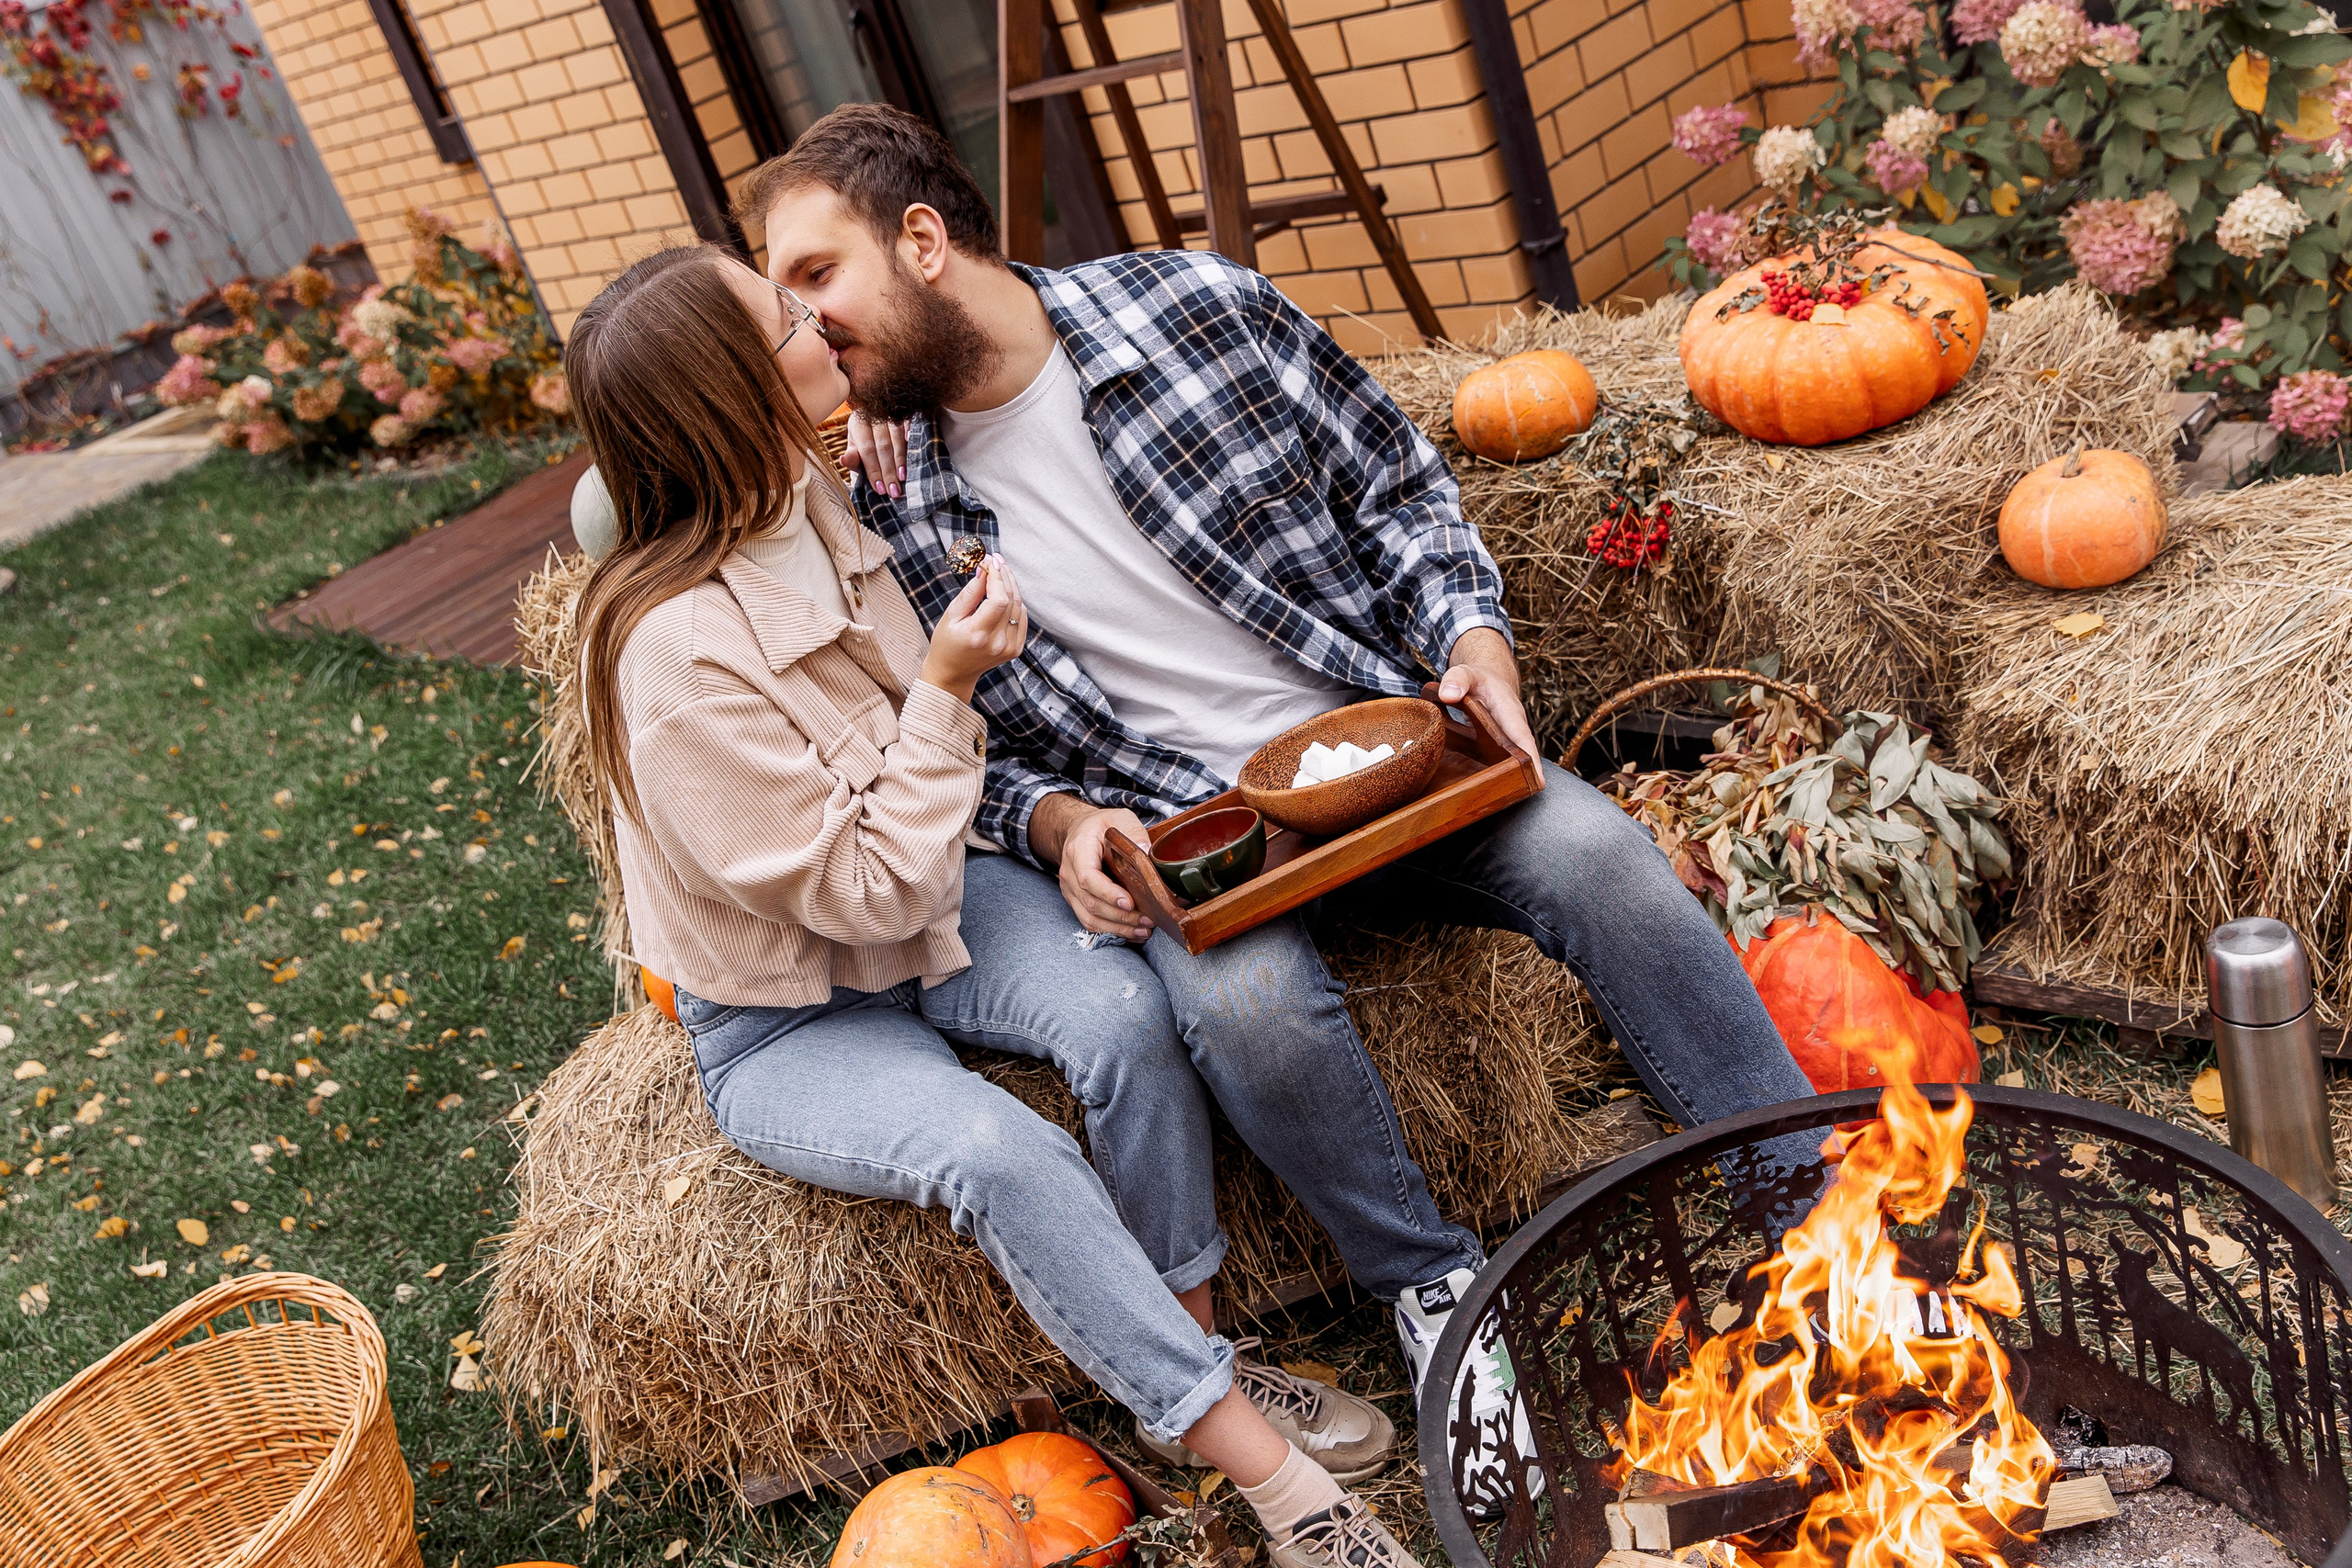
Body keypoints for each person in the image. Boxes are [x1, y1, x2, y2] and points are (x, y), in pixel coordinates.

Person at [735, 102, 1831, 1517]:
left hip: (1390, 748)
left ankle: (1804, 1200)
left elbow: (1398, 490)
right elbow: (937, 744)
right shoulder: (887, 502)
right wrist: (1063, 827)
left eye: (819, 280)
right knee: (1242, 1010)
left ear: (926, 244)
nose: (811, 332)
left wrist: (1473, 637)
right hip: (1206, 835)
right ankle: (1434, 1287)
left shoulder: (1200, 312)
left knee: (1601, 858)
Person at [565, 243, 1429, 1568]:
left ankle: (1195, 1363)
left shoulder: (812, 492)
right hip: (793, 1016)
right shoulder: (673, 655)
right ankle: (1272, 1479)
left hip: (931, 915)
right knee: (999, 1155)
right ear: (733, 394)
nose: (822, 326)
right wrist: (949, 685)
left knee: (1124, 1015)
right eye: (790, 317)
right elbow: (864, 888)